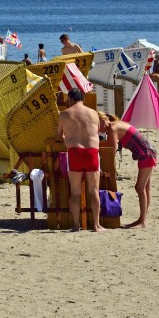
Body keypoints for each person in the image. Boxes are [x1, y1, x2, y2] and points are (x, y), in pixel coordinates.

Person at [57, 87, 105, 232]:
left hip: (75, 152)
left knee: (75, 192)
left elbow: (59, 134)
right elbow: (96, 132)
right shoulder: (94, 113)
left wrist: (67, 140)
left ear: (70, 99)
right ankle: (96, 225)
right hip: (92, 151)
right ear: (82, 99)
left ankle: (76, 225)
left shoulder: (64, 114)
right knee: (94, 191)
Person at [100, 112, 156, 229]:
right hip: (148, 152)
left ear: (103, 121)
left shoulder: (113, 129)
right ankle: (142, 219)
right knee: (145, 188)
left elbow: (111, 151)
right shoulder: (117, 124)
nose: (98, 130)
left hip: (146, 154)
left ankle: (142, 221)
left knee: (139, 188)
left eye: (97, 126)